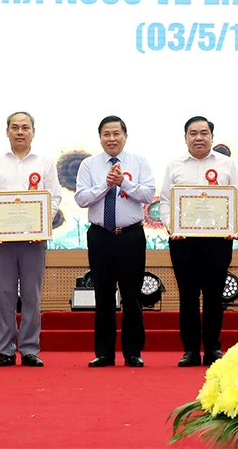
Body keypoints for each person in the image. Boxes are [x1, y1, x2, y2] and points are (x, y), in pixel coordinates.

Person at [160, 116, 238, 367]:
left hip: (218, 240)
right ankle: (190, 350)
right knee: (187, 296)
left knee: (214, 296)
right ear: (185, 137)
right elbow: (165, 201)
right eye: (193, 133)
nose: (199, 138)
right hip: (183, 240)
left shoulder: (227, 165)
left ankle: (212, 349)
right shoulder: (174, 166)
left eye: (204, 133)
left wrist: (234, 224)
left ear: (211, 136)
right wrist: (171, 226)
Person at [74, 116, 155, 368]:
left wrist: (124, 183)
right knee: (103, 295)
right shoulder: (88, 165)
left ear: (125, 136)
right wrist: (105, 184)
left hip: (131, 236)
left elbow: (148, 194)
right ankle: (104, 353)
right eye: (106, 134)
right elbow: (81, 198)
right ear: (100, 138)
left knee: (132, 295)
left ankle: (133, 352)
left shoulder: (139, 162)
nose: (112, 138)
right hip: (100, 236)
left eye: (116, 133)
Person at [0, 111, 60, 367]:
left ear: (33, 132)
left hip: (34, 242)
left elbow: (54, 198)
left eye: (25, 127)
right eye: (15, 127)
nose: (20, 132)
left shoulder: (45, 162)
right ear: (7, 131)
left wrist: (40, 226)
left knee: (31, 295)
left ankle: (29, 349)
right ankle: (5, 350)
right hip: (2, 242)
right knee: (5, 294)